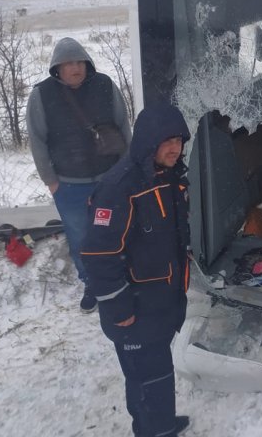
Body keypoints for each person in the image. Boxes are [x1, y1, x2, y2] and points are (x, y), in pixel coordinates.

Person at [82, 102, 191, 437]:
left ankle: (163, 424)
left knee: (159, 371)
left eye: (180, 140)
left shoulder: (171, 178)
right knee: (144, 377)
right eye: (167, 141)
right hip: (134, 308)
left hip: (160, 301)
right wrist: (118, 307)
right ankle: (152, 431)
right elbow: (99, 253)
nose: (176, 148)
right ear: (148, 141)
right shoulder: (120, 188)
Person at [26, 37, 131, 313]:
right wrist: (51, 181)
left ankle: (122, 275)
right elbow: (37, 140)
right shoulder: (42, 95)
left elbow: (123, 126)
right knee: (81, 237)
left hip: (109, 178)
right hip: (70, 185)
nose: (75, 68)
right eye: (68, 63)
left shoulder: (105, 85)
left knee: (117, 230)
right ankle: (93, 283)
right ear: (56, 68)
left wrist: (127, 168)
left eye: (79, 62)